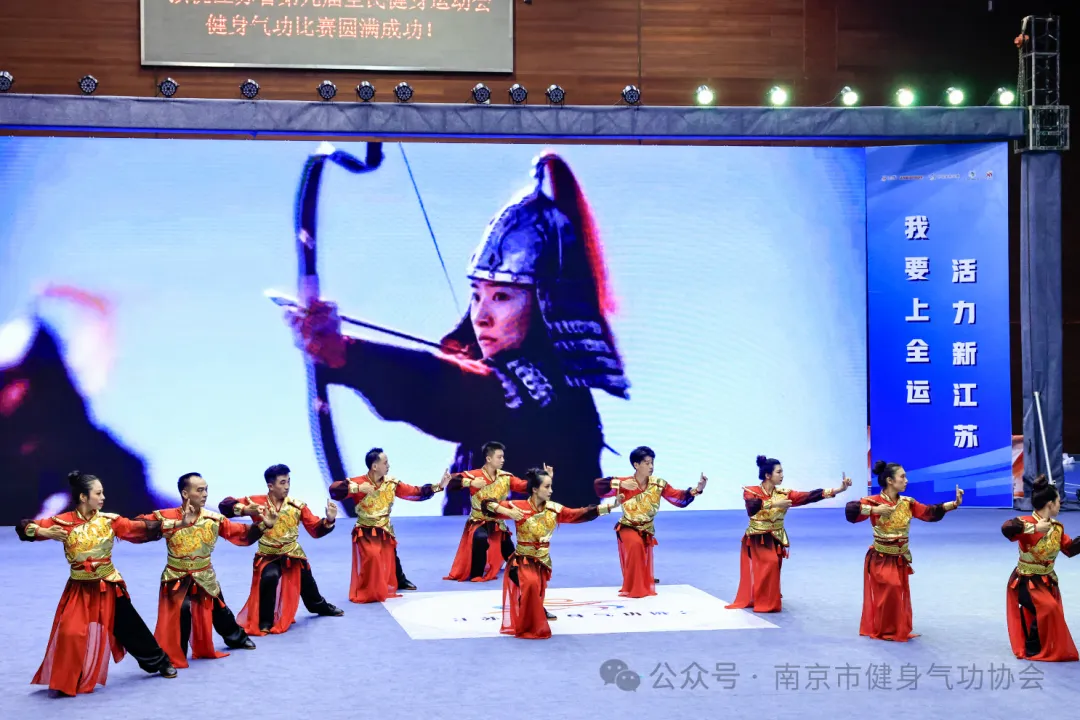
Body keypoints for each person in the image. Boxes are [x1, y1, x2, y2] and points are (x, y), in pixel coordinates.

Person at [287, 150, 629, 516]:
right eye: (477, 295)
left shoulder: (550, 395)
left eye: (501, 296)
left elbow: (459, 389)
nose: (482, 316)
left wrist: (346, 354)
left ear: (546, 306)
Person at [15, 470, 189, 696]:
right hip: (79, 588)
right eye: (98, 493)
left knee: (131, 628)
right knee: (70, 632)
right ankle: (68, 679)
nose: (103, 497)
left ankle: (160, 662)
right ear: (83, 497)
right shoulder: (61, 522)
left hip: (108, 585)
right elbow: (25, 528)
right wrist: (43, 530)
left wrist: (179, 523)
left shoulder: (109, 521)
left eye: (102, 492)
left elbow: (141, 528)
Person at [137, 472, 277, 669]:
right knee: (182, 609)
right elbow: (139, 526)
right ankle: (176, 653)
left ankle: (236, 637)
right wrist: (172, 525)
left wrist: (264, 525)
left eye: (206, 490)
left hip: (204, 574)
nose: (205, 494)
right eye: (200, 490)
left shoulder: (213, 519)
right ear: (185, 494)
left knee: (219, 609)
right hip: (176, 575)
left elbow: (241, 534)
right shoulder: (166, 516)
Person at [485, 465, 620, 639]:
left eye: (551, 486)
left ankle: (531, 618)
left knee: (537, 593)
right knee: (530, 585)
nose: (551, 491)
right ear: (535, 489)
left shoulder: (554, 509)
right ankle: (530, 628)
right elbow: (486, 503)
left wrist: (610, 506)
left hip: (543, 561)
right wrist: (505, 511)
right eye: (547, 487)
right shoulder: (517, 507)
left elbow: (577, 514)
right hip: (523, 560)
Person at [219, 464, 344, 636]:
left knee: (308, 585)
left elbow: (315, 529)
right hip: (268, 555)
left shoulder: (297, 506)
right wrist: (246, 510)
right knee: (269, 577)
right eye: (282, 482)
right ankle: (265, 620)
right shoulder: (256, 503)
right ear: (270, 486)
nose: (287, 486)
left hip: (293, 553)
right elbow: (225, 506)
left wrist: (329, 520)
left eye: (288, 482)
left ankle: (319, 606)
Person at [845, 460, 962, 641]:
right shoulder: (873, 501)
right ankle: (885, 630)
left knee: (898, 592)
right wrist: (874, 510)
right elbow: (850, 511)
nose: (906, 480)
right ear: (890, 480)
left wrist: (954, 504)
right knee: (890, 589)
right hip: (881, 557)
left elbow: (929, 512)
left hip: (900, 557)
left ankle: (896, 628)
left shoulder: (907, 503)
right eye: (902, 477)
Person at [725, 455, 851, 613]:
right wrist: (774, 503)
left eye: (782, 472)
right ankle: (766, 603)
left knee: (773, 567)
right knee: (770, 563)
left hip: (776, 537)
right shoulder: (752, 491)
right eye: (778, 472)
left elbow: (808, 496)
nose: (782, 475)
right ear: (767, 475)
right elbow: (752, 507)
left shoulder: (784, 493)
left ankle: (764, 597)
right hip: (758, 536)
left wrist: (839, 489)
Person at [329, 448, 451, 603]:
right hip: (365, 531)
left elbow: (414, 492)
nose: (388, 465)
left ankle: (399, 579)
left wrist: (439, 486)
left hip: (385, 529)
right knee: (372, 556)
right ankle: (368, 588)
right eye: (385, 463)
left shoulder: (391, 483)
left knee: (391, 554)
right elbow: (334, 490)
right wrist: (357, 488)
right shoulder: (358, 483)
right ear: (374, 466)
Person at [593, 446, 706, 598]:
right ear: (636, 465)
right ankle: (635, 589)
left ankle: (640, 583)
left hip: (647, 528)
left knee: (641, 554)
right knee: (635, 546)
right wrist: (619, 484)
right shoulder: (625, 483)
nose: (651, 466)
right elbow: (598, 486)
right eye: (647, 463)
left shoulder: (658, 484)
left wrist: (698, 489)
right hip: (627, 526)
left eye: (652, 462)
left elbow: (677, 497)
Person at [1002, 475, 1080, 662]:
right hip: (1025, 581)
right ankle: (1031, 647)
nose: (1060, 505)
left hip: (1047, 581)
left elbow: (1069, 549)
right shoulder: (1026, 522)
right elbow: (1006, 528)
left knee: (1047, 610)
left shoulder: (1057, 528)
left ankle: (1036, 644)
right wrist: (1034, 528)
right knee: (1048, 608)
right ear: (1050, 504)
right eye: (1058, 501)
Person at [444, 440, 529, 584]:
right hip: (478, 521)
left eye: (503, 457)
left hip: (498, 523)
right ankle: (476, 574)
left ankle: (517, 570)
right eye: (499, 457)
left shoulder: (505, 477)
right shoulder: (475, 475)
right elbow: (450, 481)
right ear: (488, 459)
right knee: (480, 537)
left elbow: (523, 486)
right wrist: (470, 483)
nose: (503, 460)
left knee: (511, 554)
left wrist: (541, 480)